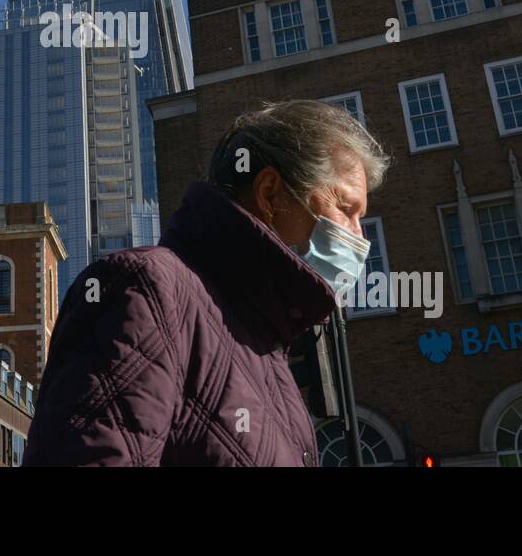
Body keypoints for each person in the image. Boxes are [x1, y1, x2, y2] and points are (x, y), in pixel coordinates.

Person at [22, 100, 390, 466]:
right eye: (345, 208)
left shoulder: (264, 346)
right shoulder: (144, 289)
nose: (358, 236)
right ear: (270, 193)